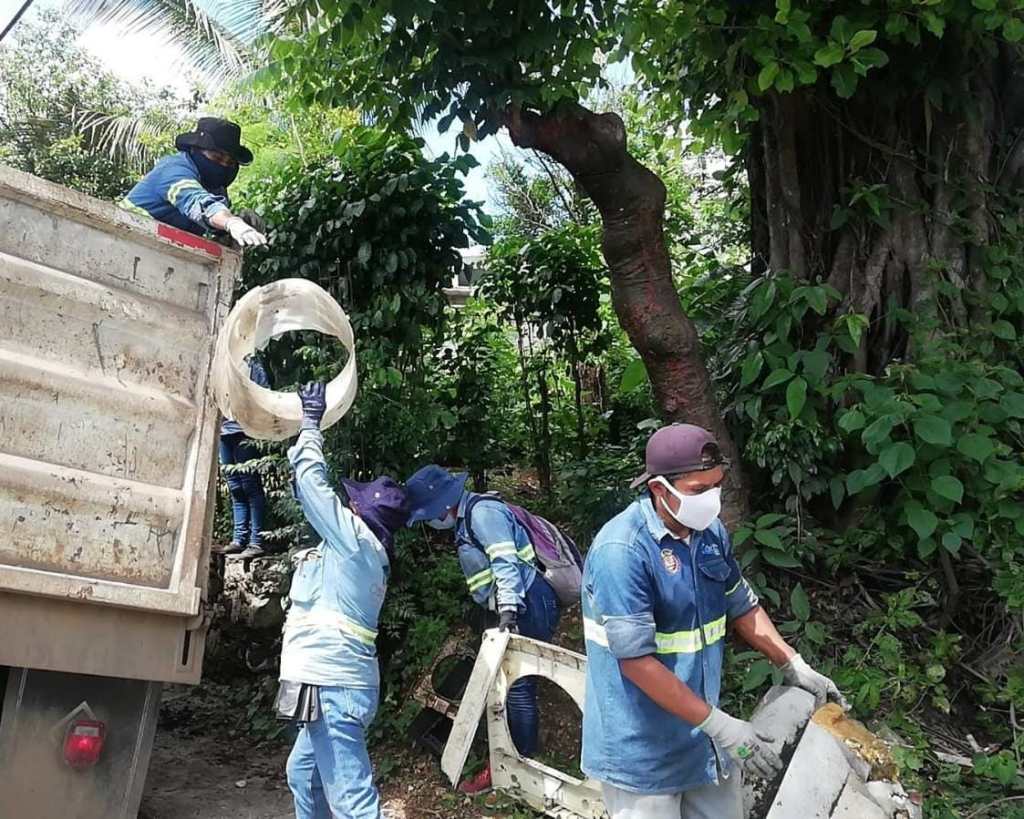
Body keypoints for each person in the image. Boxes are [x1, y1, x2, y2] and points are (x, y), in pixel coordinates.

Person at [581, 423, 848, 819]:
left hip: (702, 742)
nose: (711, 499)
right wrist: (724, 727)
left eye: (716, 485)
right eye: (698, 490)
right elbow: (636, 663)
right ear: (658, 489)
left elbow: (740, 604)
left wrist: (792, 664)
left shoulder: (709, 533)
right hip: (644, 753)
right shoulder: (623, 551)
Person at [278, 382, 409, 819]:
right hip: (333, 682)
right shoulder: (361, 551)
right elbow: (306, 491)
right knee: (305, 776)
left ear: (360, 515)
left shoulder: (355, 541)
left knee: (352, 803)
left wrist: (310, 426)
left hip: (332, 685)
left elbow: (312, 485)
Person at [404, 465, 561, 795]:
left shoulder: (483, 513)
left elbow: (505, 563)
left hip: (526, 605)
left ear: (440, 506)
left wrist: (507, 611)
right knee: (507, 686)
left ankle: (522, 766)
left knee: (517, 687)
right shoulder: (465, 520)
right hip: (514, 604)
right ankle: (516, 759)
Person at [120, 116, 267, 247]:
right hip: (123, 237)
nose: (223, 166)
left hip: (162, 252)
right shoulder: (174, 170)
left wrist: (237, 225)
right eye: (217, 158)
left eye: (229, 163)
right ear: (195, 150)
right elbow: (196, 202)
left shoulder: (215, 190)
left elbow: (211, 224)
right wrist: (232, 223)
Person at [217, 355, 271, 559]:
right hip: (224, 431)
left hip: (245, 431)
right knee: (235, 487)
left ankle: (256, 541)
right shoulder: (221, 362)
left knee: (250, 486)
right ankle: (239, 539)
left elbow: (263, 392)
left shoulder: (252, 362)